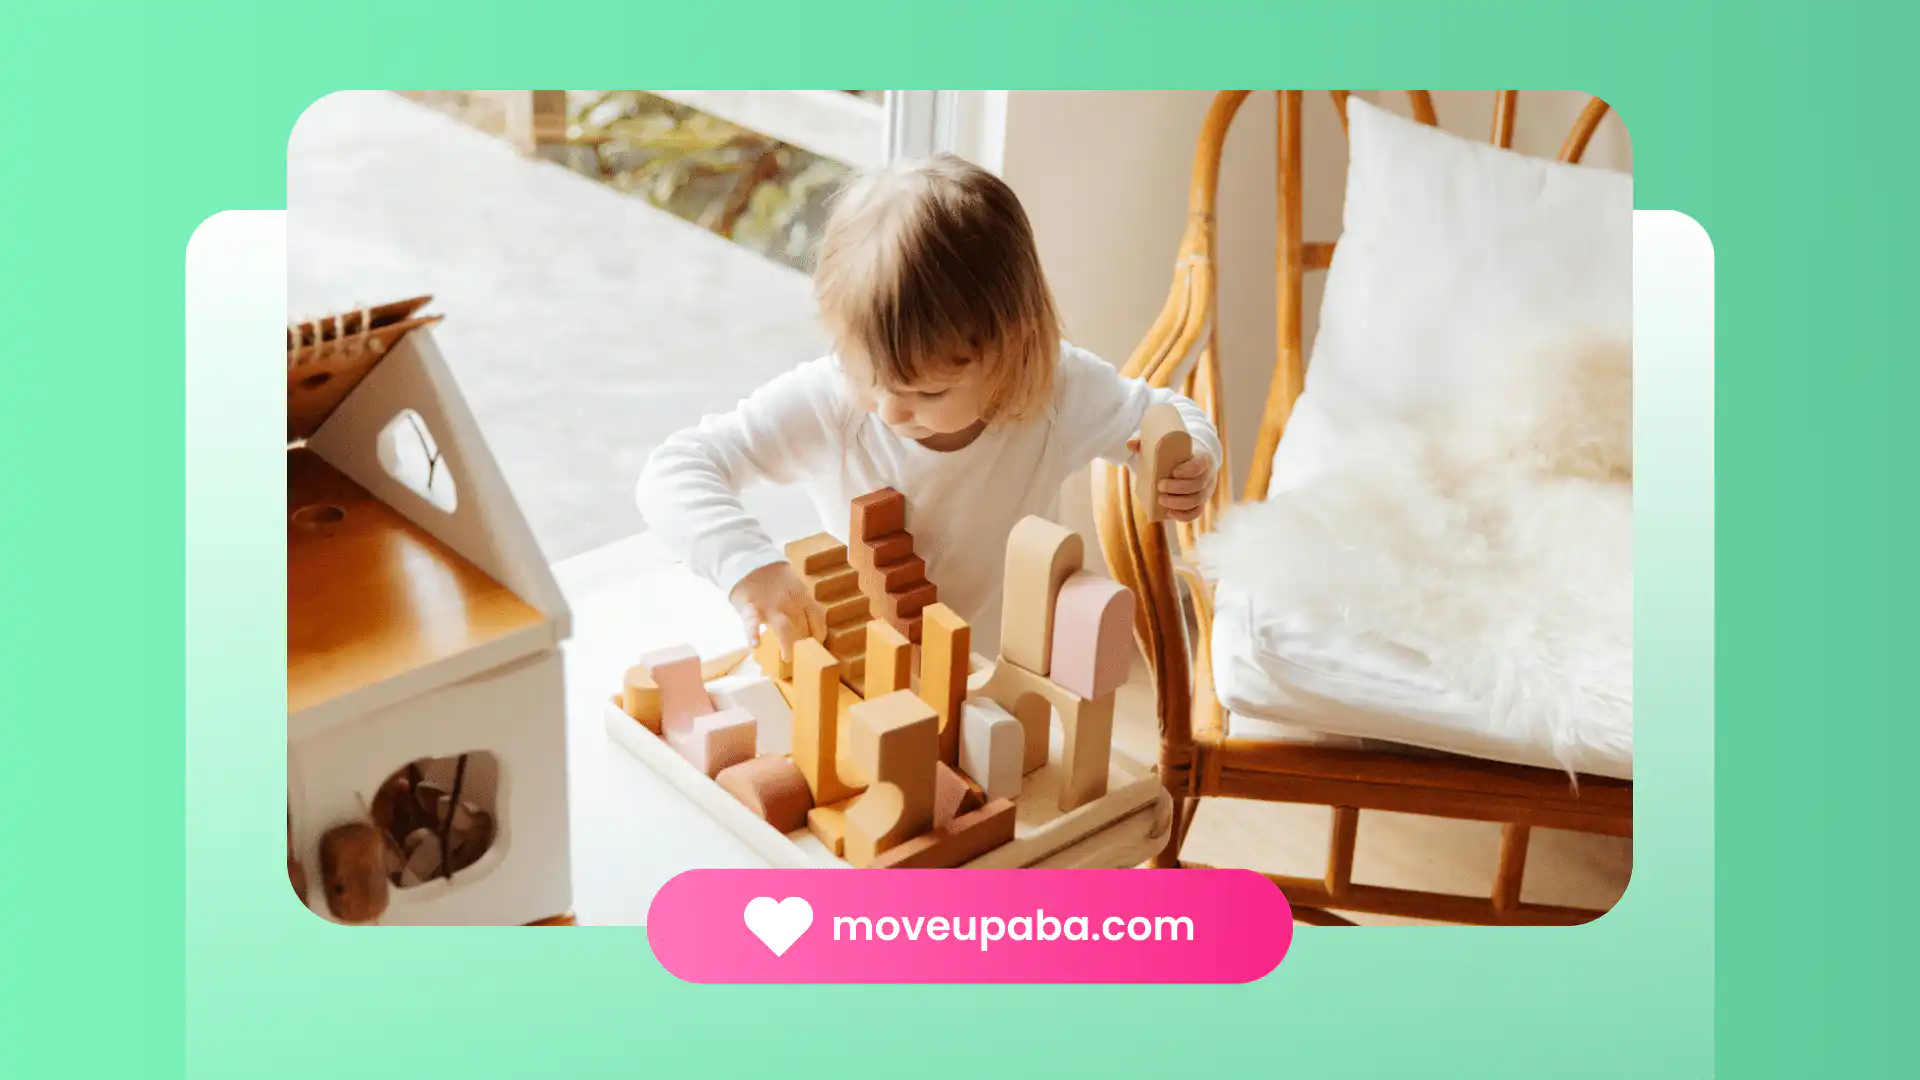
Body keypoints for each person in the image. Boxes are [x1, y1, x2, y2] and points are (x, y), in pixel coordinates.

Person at [638, 153, 1222, 658]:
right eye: (872, 379)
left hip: (1000, 678)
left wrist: (1191, 459)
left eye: (927, 393)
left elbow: (1166, 415)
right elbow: (675, 469)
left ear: (1009, 351)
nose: (890, 411)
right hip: (863, 678)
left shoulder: (1056, 394)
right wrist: (751, 570)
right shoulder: (834, 401)